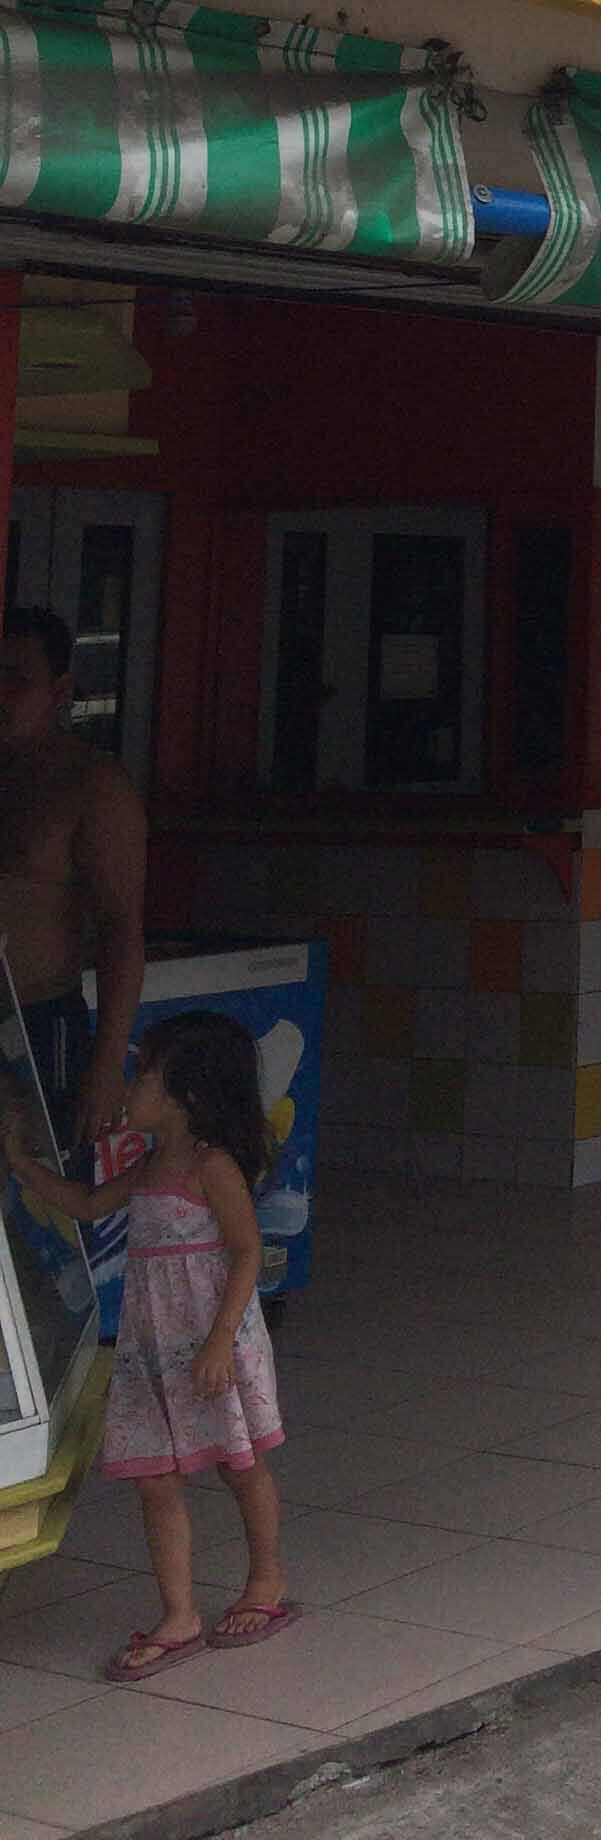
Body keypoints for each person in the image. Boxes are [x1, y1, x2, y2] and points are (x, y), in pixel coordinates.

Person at [4, 1009, 293, 1683]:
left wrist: (221, 1341)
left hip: (211, 1343)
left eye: (142, 1074)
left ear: (185, 1097)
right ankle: (179, 1613)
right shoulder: (151, 1160)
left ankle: (267, 1583)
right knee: (155, 1479)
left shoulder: (211, 1166)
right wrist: (20, 1163)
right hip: (153, 1348)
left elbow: (248, 1251)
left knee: (238, 1465)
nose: (128, 1087)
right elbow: (87, 1206)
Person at [0, 603, 148, 1160]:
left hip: (37, 1018)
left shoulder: (95, 787)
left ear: (60, 691)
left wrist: (108, 1065)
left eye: (16, 677)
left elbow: (120, 931)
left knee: (43, 1212)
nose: (0, 692)